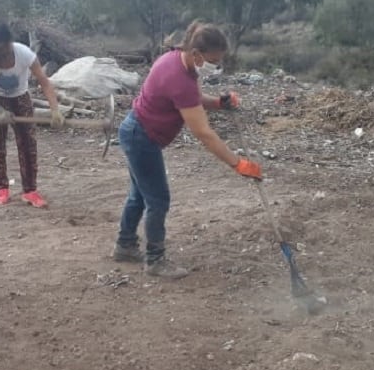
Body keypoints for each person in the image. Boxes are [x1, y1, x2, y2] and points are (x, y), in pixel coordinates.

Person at [112, 20, 262, 279]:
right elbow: (204, 133)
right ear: (196, 54)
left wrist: (218, 103)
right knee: (158, 200)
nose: (216, 66)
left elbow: (190, 100)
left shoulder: (178, 61)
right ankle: (155, 260)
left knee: (140, 195)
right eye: (213, 61)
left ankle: (125, 246)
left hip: (137, 132)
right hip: (141, 138)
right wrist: (237, 164)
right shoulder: (179, 77)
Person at [0, 21, 64, 208]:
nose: (4, 52)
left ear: (10, 41)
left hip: (20, 99)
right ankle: (2, 188)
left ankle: (30, 191)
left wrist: (55, 110)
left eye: (6, 47)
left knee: (28, 146)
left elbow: (44, 83)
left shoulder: (25, 54)